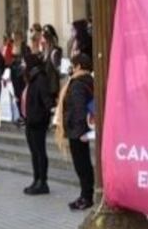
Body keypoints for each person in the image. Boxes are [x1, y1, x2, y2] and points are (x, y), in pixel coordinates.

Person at [57, 53, 95, 210]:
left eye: (73, 64)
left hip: (77, 130)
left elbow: (78, 108)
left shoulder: (78, 83)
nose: (71, 67)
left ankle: (86, 197)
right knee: (83, 163)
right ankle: (85, 195)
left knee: (82, 164)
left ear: (79, 66)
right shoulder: (85, 81)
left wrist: (78, 130)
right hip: (78, 129)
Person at [21, 53, 53, 195]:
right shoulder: (32, 79)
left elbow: (46, 102)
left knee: (40, 153)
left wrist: (41, 118)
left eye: (24, 63)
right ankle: (36, 179)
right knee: (34, 153)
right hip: (30, 122)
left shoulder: (40, 79)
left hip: (37, 123)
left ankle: (42, 182)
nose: (22, 65)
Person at [41, 24, 63, 100]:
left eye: (44, 36)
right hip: (44, 88)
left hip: (52, 89)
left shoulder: (54, 52)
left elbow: (59, 71)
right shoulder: (43, 52)